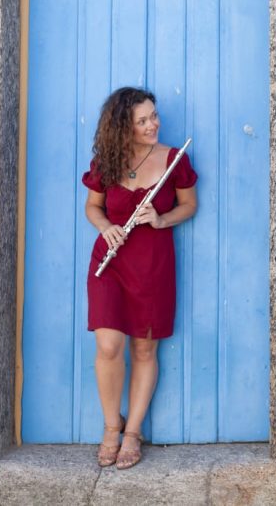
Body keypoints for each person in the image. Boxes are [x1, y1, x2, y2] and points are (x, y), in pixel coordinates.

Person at [82, 87, 197, 469]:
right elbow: (93, 207)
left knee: (145, 350)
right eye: (142, 120)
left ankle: (132, 433)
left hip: (152, 265)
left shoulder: (174, 159)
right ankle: (110, 428)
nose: (153, 124)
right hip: (110, 261)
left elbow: (189, 205)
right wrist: (106, 227)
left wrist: (161, 220)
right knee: (108, 346)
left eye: (154, 116)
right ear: (122, 127)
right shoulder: (107, 161)